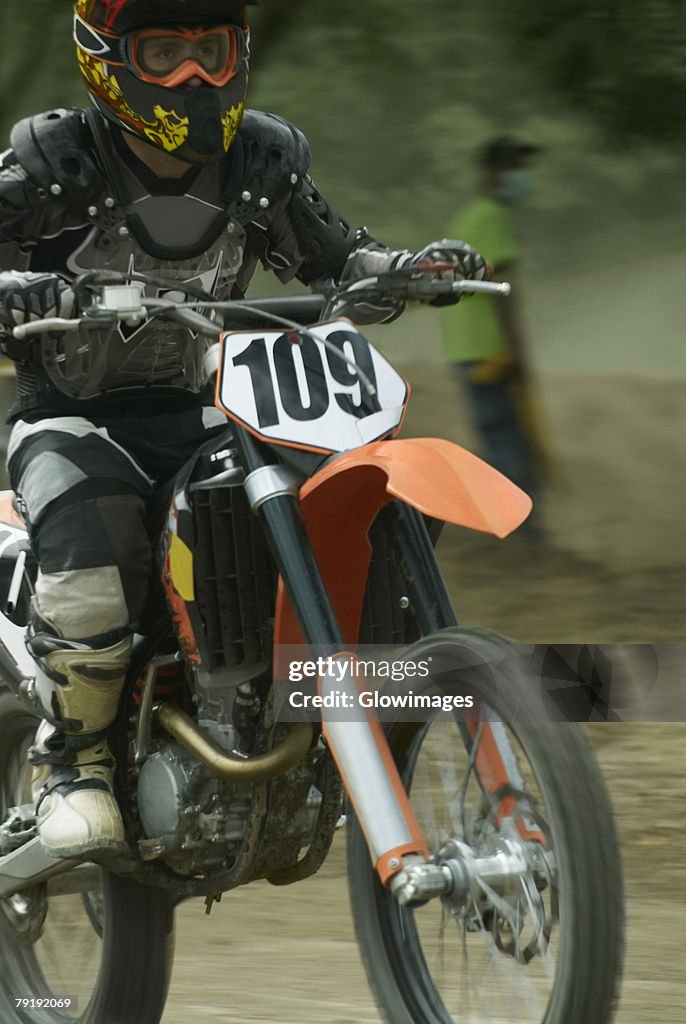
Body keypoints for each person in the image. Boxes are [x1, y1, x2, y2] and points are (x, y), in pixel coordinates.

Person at [0, 0, 488, 860]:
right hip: (70, 419)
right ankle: (71, 767)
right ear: (108, 58)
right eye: (164, 51)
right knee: (97, 544)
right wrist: (16, 287)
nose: (194, 76)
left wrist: (405, 271)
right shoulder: (54, 164)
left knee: (315, 501)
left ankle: (298, 695)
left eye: (210, 49)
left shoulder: (260, 159)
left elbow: (340, 257)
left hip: (205, 411)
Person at [441, 135, 547, 524]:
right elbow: (503, 292)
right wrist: (519, 351)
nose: (523, 176)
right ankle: (519, 531)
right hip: (492, 352)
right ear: (496, 172)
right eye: (516, 167)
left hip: (466, 351)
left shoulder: (467, 218)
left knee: (497, 438)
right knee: (511, 445)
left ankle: (501, 522)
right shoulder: (493, 216)